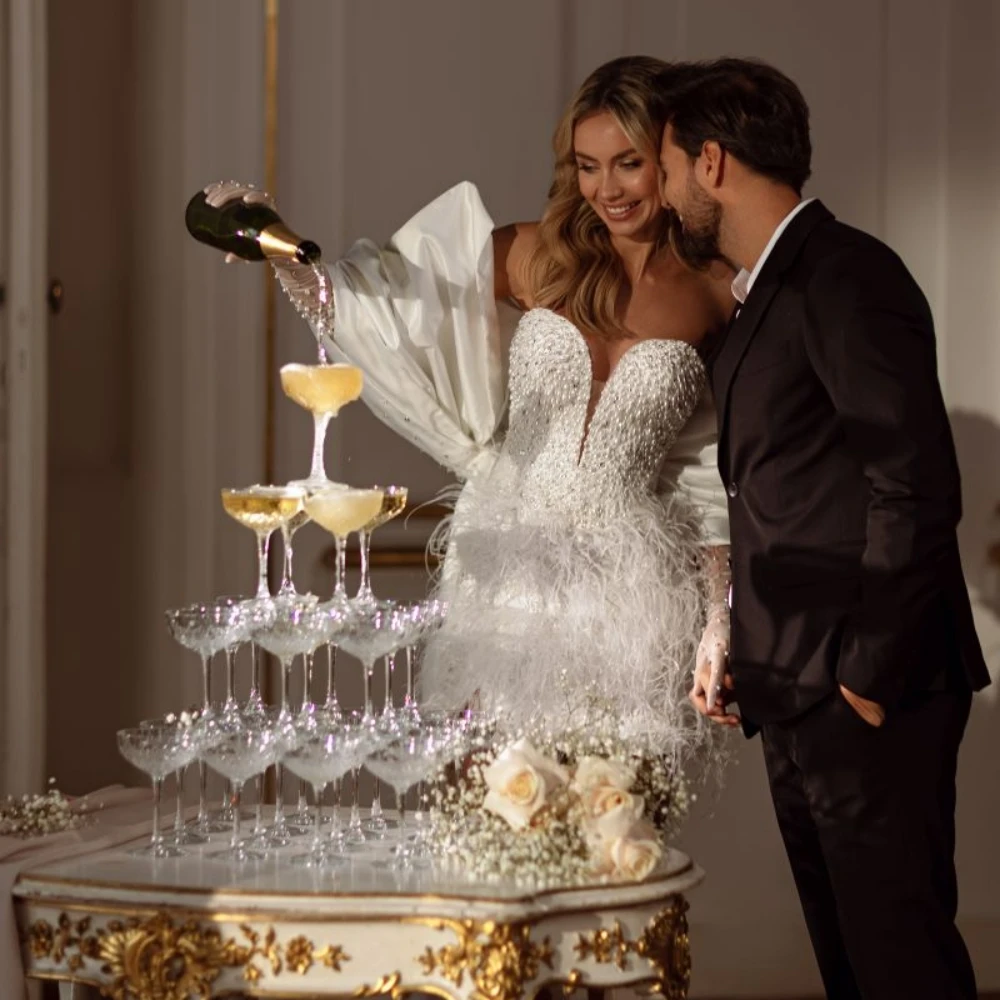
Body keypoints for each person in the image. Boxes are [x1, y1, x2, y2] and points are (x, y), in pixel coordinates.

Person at [206, 56, 735, 766]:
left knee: (613, 810)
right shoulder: (540, 254)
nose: (606, 189)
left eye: (628, 163)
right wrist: (282, 252)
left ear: (667, 158)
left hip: (630, 591)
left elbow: (707, 469)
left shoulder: (716, 289)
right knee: (489, 792)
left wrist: (718, 621)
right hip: (505, 567)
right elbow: (393, 300)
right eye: (587, 165)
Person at [659, 56, 990, 1000]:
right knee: (854, 974)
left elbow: (915, 485)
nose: (668, 190)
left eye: (671, 167)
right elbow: (785, 492)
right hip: (800, 691)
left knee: (902, 971)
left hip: (866, 694)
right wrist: (747, 644)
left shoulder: (847, 275)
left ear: (712, 162)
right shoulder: (763, 290)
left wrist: (865, 677)